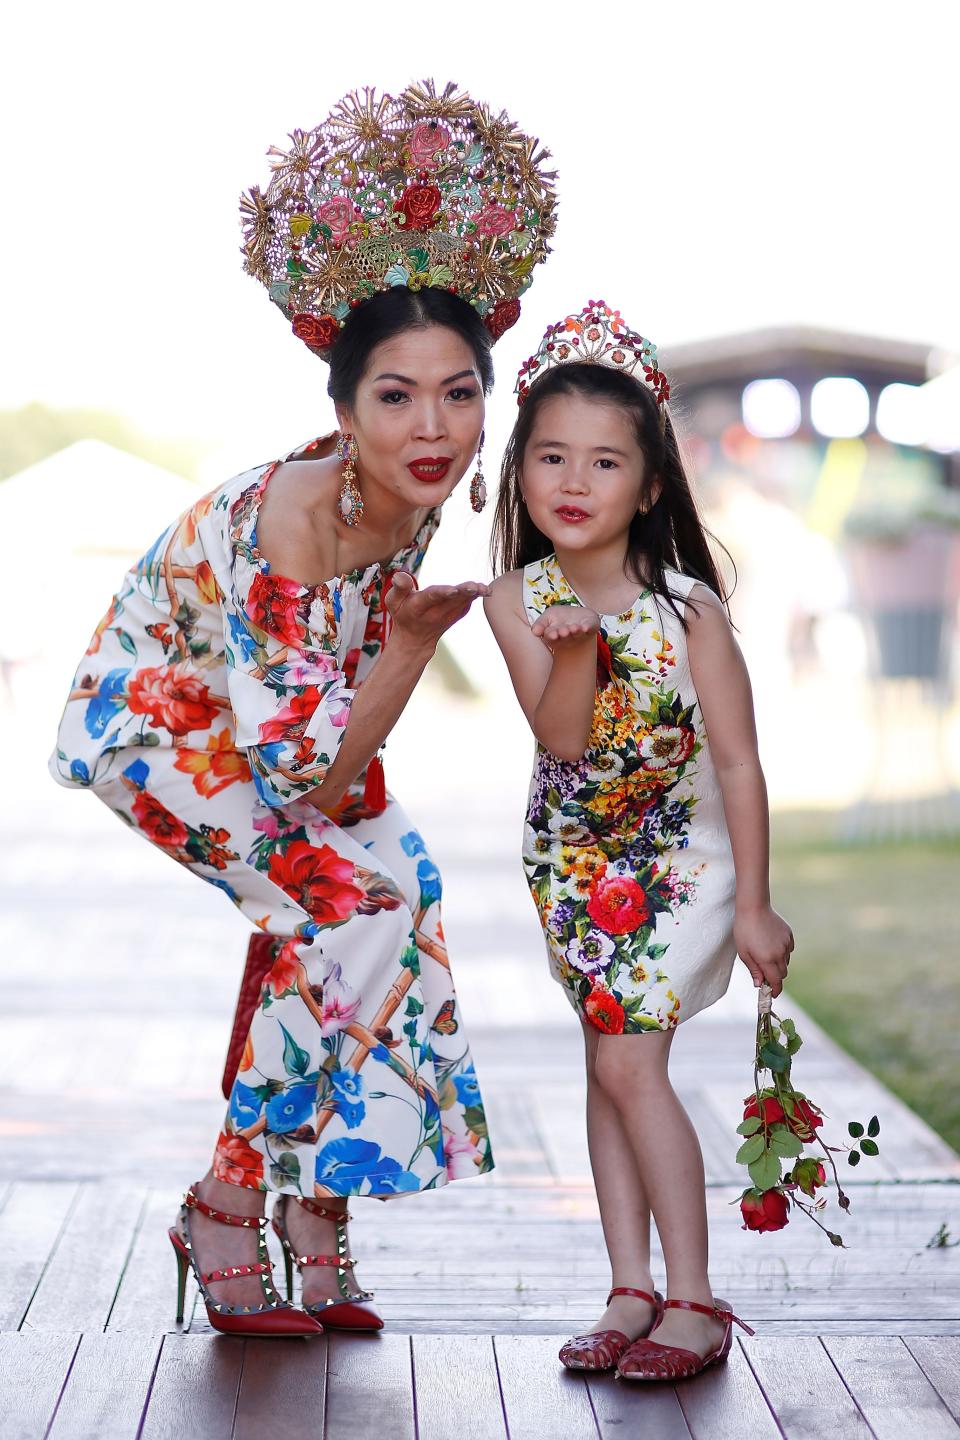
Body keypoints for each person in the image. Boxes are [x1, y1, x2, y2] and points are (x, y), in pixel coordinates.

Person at [49, 80, 557, 1338]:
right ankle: (229, 1202)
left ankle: (316, 1200)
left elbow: (333, 736)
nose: (431, 426)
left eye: (457, 393)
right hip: (160, 725)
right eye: (395, 395)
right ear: (343, 411)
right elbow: (300, 782)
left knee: (405, 886)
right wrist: (409, 648)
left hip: (285, 719)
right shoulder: (297, 513)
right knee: (350, 901)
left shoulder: (421, 496)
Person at [483, 302, 793, 1381]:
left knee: (629, 1064)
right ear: (520, 470)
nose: (574, 480)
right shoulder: (517, 598)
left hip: (676, 867)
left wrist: (755, 901)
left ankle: (697, 1302)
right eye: (551, 455)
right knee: (604, 1066)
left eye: (605, 461)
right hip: (572, 867)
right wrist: (571, 645)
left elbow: (742, 764)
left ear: (650, 485)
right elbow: (563, 735)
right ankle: (629, 1287)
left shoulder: (688, 609)